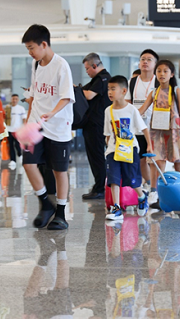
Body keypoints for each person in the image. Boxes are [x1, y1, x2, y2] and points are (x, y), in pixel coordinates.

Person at [22, 24, 75, 231]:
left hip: (59, 127)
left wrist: (52, 113)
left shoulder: (61, 65)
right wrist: (28, 121)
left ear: (44, 44)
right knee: (28, 164)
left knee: (58, 171)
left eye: (32, 47)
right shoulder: (36, 65)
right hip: (37, 125)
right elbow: (34, 96)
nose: (30, 52)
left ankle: (60, 213)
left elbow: (66, 97)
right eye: (27, 48)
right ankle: (45, 202)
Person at [138, 60, 180, 188]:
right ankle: (155, 192)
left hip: (175, 131)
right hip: (157, 132)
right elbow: (142, 110)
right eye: (159, 71)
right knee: (157, 162)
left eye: (165, 71)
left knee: (179, 163)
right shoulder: (154, 92)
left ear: (172, 74)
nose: (161, 74)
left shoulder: (176, 91)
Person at [104, 75, 152, 220]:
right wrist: (109, 148)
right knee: (113, 178)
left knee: (131, 179)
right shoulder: (108, 111)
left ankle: (142, 196)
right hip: (113, 150)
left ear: (124, 91)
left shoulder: (131, 110)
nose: (110, 92)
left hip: (130, 150)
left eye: (113, 89)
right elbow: (107, 133)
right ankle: (117, 207)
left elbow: (143, 129)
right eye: (108, 89)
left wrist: (149, 145)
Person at [125, 49, 159, 192]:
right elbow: (127, 102)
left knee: (155, 160)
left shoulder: (159, 81)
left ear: (156, 64)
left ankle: (155, 189)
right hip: (137, 127)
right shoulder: (132, 81)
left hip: (155, 127)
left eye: (149, 59)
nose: (145, 62)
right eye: (143, 59)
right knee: (140, 160)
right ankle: (150, 185)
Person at [81, 52, 112, 200]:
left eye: (87, 69)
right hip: (94, 123)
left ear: (95, 65)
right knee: (95, 156)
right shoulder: (97, 79)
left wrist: (77, 90)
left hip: (96, 123)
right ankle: (99, 186)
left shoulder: (102, 78)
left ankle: (100, 188)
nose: (87, 72)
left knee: (97, 156)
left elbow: (88, 95)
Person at [6, 94, 27, 169]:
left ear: (18, 100)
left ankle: (20, 155)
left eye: (16, 99)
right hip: (9, 130)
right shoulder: (7, 108)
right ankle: (12, 160)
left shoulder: (21, 108)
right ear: (11, 99)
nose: (14, 100)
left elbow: (24, 119)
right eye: (13, 99)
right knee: (11, 146)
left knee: (17, 145)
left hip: (18, 130)